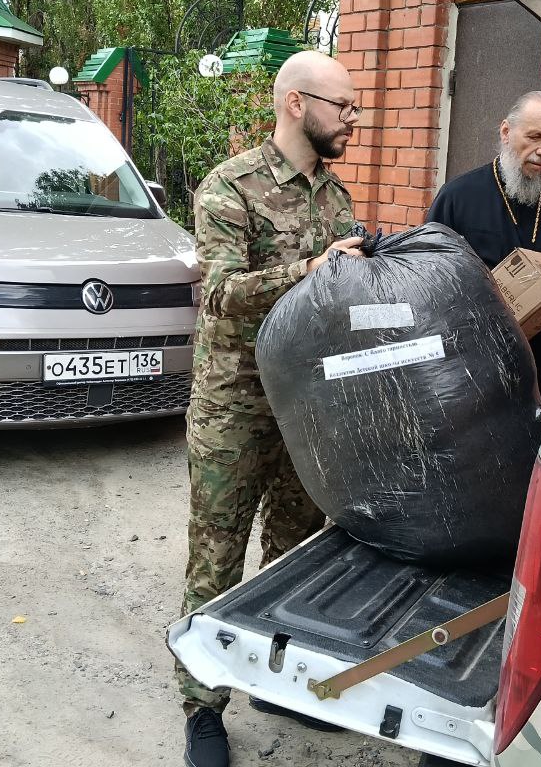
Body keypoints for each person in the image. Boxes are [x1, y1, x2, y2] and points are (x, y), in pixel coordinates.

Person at [179, 51, 365, 767]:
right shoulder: (231, 186)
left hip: (307, 406)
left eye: (354, 108)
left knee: (294, 554)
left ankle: (276, 682)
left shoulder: (337, 198)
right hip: (234, 408)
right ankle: (202, 707)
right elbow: (221, 294)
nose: (353, 119)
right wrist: (311, 270)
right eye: (343, 106)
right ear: (296, 103)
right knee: (217, 556)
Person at [426, 90, 541, 416]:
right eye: (535, 137)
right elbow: (424, 274)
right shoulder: (458, 196)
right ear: (506, 132)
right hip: (471, 368)